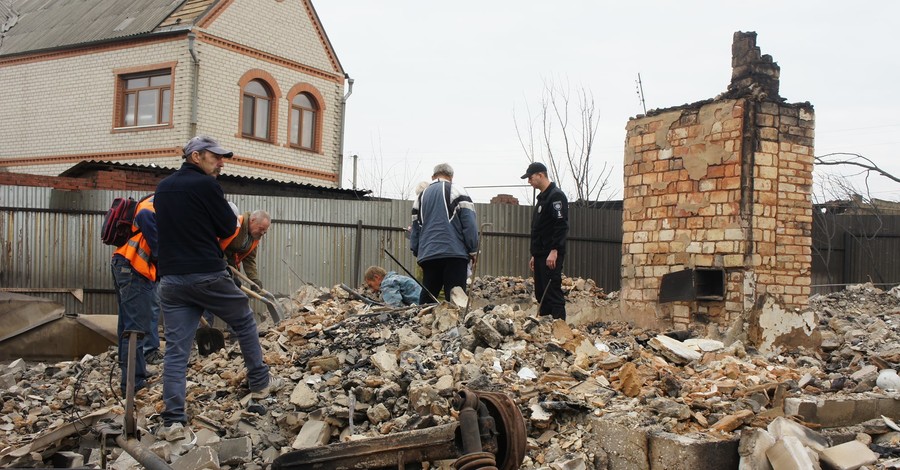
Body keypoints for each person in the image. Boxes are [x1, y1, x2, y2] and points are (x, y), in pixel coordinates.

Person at [153, 135, 282, 440]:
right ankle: (260, 381)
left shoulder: (162, 188)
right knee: (244, 320)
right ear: (195, 157)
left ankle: (173, 420)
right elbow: (228, 227)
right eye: (216, 157)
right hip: (206, 274)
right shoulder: (207, 186)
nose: (222, 162)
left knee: (175, 350)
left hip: (170, 280)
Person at [110, 195, 158, 395]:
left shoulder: (155, 201)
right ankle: (133, 384)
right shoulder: (157, 205)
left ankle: (130, 376)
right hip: (133, 269)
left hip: (125, 265)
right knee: (136, 328)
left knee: (128, 326)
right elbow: (146, 217)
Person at [410, 163, 478, 304]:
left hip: (428, 255)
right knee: (455, 298)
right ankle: (454, 325)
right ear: (451, 177)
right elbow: (469, 222)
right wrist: (473, 249)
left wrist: (417, 251)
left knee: (428, 297)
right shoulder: (457, 190)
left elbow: (415, 229)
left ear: (433, 176)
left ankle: (422, 324)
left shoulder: (420, 197)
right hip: (454, 254)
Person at [521, 162, 569, 319]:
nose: (529, 181)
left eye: (530, 177)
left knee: (552, 292)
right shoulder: (542, 198)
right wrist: (535, 254)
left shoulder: (556, 196)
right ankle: (545, 329)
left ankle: (559, 329)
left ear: (540, 175)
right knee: (541, 293)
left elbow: (560, 225)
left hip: (551, 255)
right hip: (541, 254)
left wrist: (555, 250)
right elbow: (540, 229)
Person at [221, 209, 271, 290]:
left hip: (230, 264)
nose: (262, 233)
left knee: (234, 293)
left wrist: (254, 279)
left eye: (264, 232)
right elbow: (217, 243)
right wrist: (224, 265)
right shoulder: (236, 224)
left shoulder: (254, 237)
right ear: (252, 220)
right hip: (217, 260)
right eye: (261, 229)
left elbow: (249, 259)